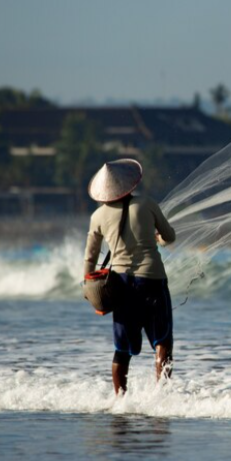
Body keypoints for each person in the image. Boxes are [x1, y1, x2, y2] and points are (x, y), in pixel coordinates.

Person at [83, 159, 176, 394]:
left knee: (122, 349)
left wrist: (87, 287)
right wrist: (157, 238)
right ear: (129, 184)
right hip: (152, 279)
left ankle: (120, 400)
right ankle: (162, 396)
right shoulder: (147, 204)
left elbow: (90, 258)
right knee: (162, 341)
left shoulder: (98, 216)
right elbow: (169, 237)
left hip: (120, 284)